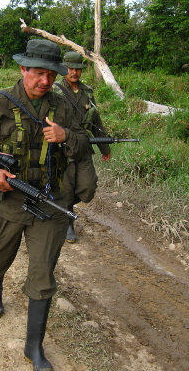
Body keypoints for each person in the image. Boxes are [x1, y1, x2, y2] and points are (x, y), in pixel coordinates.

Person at [0, 39, 89, 371]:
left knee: (43, 275)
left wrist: (66, 136)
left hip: (50, 202)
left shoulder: (64, 107)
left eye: (51, 76)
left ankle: (33, 348)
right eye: (38, 73)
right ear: (23, 68)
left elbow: (86, 142)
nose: (45, 81)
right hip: (6, 202)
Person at [53, 51, 112, 243]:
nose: (73, 72)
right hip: (63, 149)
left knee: (87, 188)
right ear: (64, 69)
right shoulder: (55, 90)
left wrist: (105, 147)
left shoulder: (87, 92)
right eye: (70, 68)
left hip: (84, 147)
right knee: (67, 188)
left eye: (77, 69)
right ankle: (68, 221)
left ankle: (59, 205)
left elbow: (96, 120)